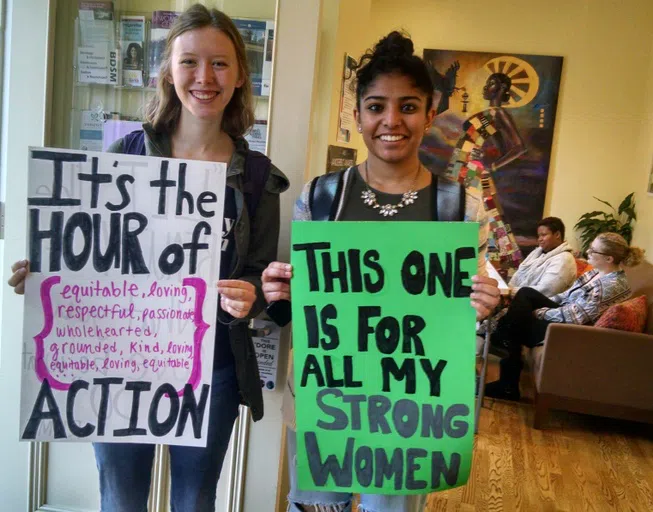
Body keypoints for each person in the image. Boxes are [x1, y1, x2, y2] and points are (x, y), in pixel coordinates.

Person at [8, 5, 288, 511]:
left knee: (195, 500)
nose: (205, 78)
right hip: (122, 363)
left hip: (213, 369)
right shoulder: (122, 156)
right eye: (190, 62)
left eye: (221, 63)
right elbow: (94, 251)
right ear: (168, 71)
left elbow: (262, 281)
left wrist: (252, 298)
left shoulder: (257, 177)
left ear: (241, 74)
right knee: (120, 499)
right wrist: (50, 274)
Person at [262, 31, 500, 512]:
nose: (392, 121)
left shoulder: (459, 207)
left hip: (409, 409)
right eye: (376, 107)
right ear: (358, 116)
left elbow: (462, 319)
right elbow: (304, 308)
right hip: (328, 398)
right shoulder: (323, 197)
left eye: (408, 106)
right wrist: (280, 293)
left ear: (430, 114)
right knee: (315, 507)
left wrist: (482, 306)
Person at [485, 232, 644, 401]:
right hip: (565, 312)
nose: (587, 252)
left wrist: (539, 312)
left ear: (609, 259)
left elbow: (575, 317)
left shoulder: (610, 286)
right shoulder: (596, 273)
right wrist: (541, 305)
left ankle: (508, 380)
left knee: (515, 325)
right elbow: (565, 296)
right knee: (525, 294)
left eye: (593, 250)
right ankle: (507, 363)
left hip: (571, 332)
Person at [446, 72, 528, 278]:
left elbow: (519, 147)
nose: (486, 86)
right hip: (461, 167)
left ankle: (490, 266)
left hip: (472, 170)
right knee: (464, 213)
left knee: (482, 215)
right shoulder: (488, 112)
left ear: (501, 88)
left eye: (491, 83)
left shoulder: (499, 113)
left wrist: (494, 166)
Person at [508, 216, 577, 297]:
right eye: (539, 236)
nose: (540, 239)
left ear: (557, 235)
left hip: (542, 307)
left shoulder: (565, 259)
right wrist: (508, 290)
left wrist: (511, 291)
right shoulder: (537, 252)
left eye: (543, 235)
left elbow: (545, 290)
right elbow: (518, 275)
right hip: (518, 298)